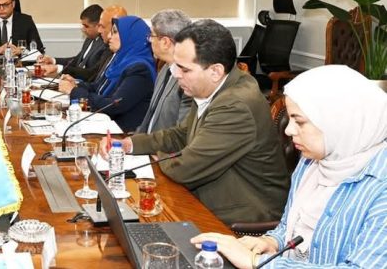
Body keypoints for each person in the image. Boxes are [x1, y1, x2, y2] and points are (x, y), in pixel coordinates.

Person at [191, 65, 387, 268]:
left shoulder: (381, 188)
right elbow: (290, 227)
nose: (289, 130)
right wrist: (271, 242)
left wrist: (256, 262)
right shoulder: (311, 160)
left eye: (299, 122)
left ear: (339, 122)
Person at [104, 19, 289, 224]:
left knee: (137, 220)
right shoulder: (210, 87)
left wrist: (157, 157)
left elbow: (186, 168)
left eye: (184, 69)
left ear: (215, 71)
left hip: (242, 213)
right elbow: (182, 134)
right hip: (211, 193)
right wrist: (131, 144)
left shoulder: (235, 105)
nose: (176, 75)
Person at [58, 15, 155, 131]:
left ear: (130, 37)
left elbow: (114, 105)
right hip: (104, 122)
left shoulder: (140, 69)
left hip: (120, 132)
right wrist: (75, 84)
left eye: (115, 32)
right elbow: (98, 87)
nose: (109, 36)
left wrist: (74, 91)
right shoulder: (121, 61)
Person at [135, 9, 193, 133]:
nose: (149, 40)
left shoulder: (187, 80)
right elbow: (149, 118)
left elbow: (182, 133)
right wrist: (133, 141)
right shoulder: (165, 69)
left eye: (151, 36)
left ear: (165, 42)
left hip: (163, 145)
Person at [37, 4, 107, 80]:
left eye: (86, 26)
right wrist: (52, 60)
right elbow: (76, 60)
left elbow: (90, 74)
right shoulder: (89, 39)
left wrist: (58, 68)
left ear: (98, 25)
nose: (83, 29)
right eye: (83, 25)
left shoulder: (105, 44)